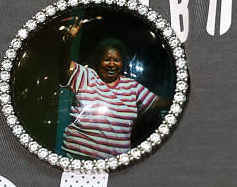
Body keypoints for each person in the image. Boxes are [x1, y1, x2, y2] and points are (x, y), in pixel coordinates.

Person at [57, 17, 168, 159]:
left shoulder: (131, 86)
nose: (111, 64)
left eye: (116, 60)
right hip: (76, 156)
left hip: (114, 163)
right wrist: (68, 42)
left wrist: (182, 100)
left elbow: (157, 102)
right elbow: (64, 66)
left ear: (122, 63)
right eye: (106, 59)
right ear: (98, 61)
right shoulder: (86, 76)